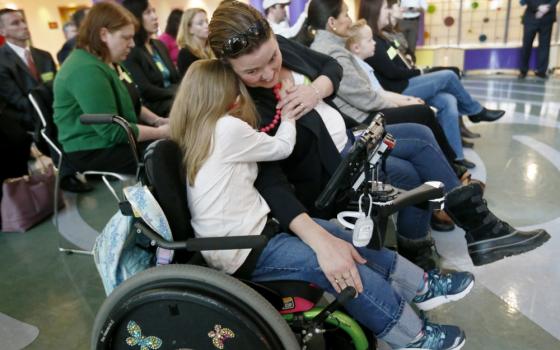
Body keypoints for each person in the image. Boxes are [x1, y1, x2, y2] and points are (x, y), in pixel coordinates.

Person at [208, 0, 549, 271]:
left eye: (272, 59)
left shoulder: (284, 44)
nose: (268, 73)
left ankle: (446, 238)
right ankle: (478, 228)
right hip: (330, 172)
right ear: (229, 69)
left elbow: (332, 68)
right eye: (252, 71)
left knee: (416, 149)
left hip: (347, 139)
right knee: (416, 137)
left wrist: (315, 92)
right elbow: (271, 178)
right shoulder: (239, 105)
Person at [170, 57, 475, 350]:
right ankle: (413, 336)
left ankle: (420, 285)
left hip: (248, 234)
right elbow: (281, 147)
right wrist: (288, 113)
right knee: (336, 266)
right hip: (244, 247)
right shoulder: (226, 128)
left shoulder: (199, 131)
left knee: (340, 237)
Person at [360, 0, 507, 169]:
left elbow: (399, 63)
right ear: (375, 10)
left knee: (448, 100)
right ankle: (475, 111)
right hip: (398, 89)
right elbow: (392, 72)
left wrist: (412, 64)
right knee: (449, 75)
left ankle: (455, 157)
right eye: (386, 8)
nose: (390, 12)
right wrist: (421, 72)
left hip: (404, 82)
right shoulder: (372, 39)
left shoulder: (382, 36)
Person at [53, 2, 169, 175]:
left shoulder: (107, 61)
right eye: (126, 37)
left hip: (112, 139)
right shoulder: (86, 69)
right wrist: (160, 133)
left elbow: (131, 101)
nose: (131, 44)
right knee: (165, 154)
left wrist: (158, 121)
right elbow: (113, 131)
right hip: (92, 149)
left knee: (169, 147)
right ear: (104, 34)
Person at [0, 8, 57, 131]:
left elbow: (57, 88)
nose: (24, 26)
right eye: (15, 23)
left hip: (57, 119)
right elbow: (16, 101)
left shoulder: (44, 56)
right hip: (27, 127)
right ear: (2, 31)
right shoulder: (1, 60)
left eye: (23, 21)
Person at [122, 0, 179, 117]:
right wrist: (177, 93)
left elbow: (175, 77)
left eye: (154, 11)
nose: (155, 17)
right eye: (148, 13)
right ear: (136, 17)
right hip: (154, 107)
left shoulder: (159, 45)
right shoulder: (131, 51)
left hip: (174, 98)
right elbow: (145, 90)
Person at [519, 0, 558, 79]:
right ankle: (523, 70)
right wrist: (538, 8)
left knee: (545, 46)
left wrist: (546, 9)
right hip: (531, 17)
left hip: (547, 18)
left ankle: (541, 71)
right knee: (526, 45)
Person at [176, 8, 213, 78]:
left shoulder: (212, 48)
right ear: (189, 29)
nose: (206, 26)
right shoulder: (185, 54)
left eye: (206, 21)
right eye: (200, 23)